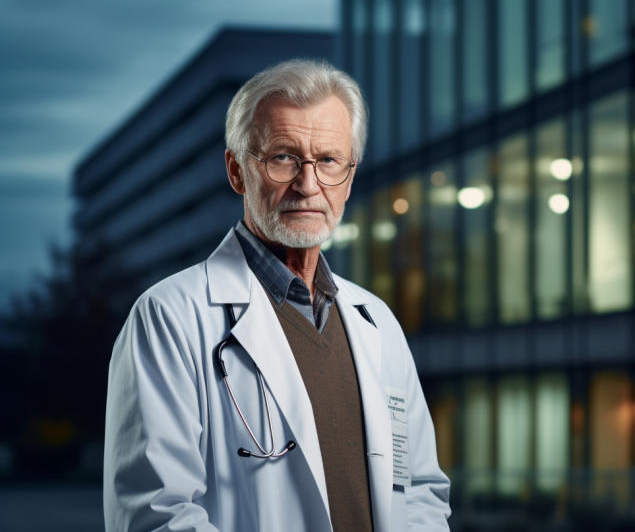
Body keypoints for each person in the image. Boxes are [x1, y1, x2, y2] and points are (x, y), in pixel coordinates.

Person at [103, 59, 451, 531]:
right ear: (237, 171)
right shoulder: (169, 317)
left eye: (328, 161)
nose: (308, 186)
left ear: (349, 176)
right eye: (283, 157)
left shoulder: (377, 321)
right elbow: (156, 516)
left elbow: (420, 491)